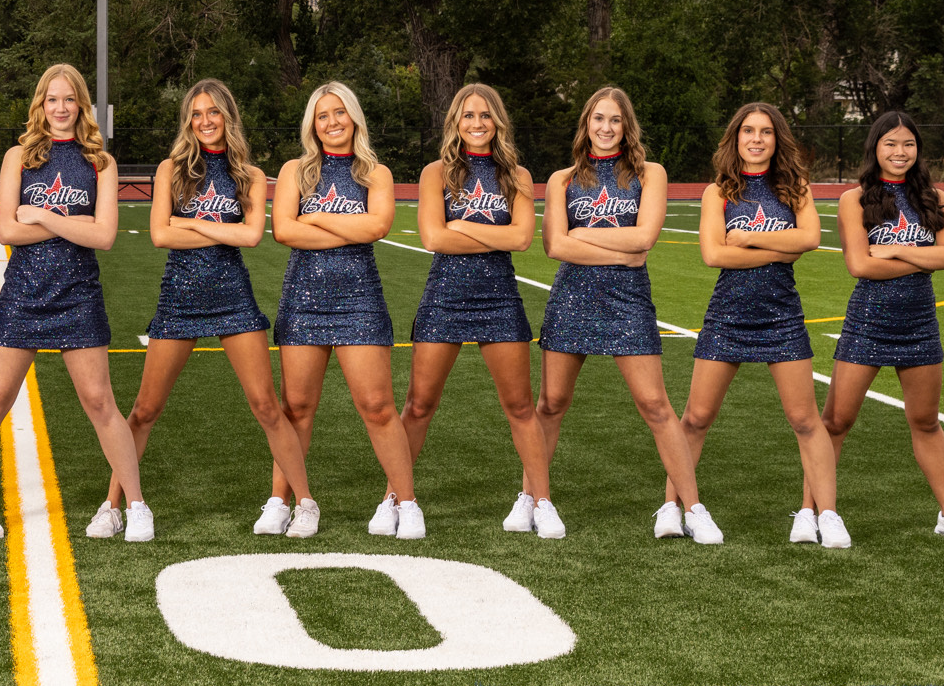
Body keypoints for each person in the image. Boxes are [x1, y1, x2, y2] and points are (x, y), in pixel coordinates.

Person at [91, 79, 312, 539]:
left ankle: (305, 503)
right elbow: (160, 235)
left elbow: (250, 236)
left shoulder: (249, 175)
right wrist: (214, 230)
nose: (205, 121)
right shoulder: (171, 169)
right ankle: (113, 506)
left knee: (267, 406)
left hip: (233, 295)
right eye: (196, 113)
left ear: (228, 116)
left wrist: (188, 222)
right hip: (180, 296)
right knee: (145, 410)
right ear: (188, 121)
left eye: (213, 112)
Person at [0, 63, 150, 542]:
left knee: (100, 401)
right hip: (24, 294)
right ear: (40, 104)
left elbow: (104, 236)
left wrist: (42, 214)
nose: (60, 107)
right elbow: (7, 230)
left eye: (69, 99)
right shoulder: (19, 156)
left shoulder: (100, 162)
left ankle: (136, 506)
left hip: (79, 294)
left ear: (81, 105)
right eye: (52, 99)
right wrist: (70, 223)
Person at [533, 87, 722, 543]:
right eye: (598, 118)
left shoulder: (648, 173)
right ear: (586, 124)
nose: (606, 127)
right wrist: (618, 250)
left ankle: (691, 508)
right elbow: (554, 245)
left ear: (626, 126)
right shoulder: (562, 179)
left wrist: (581, 234)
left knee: (656, 405)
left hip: (628, 301)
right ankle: (534, 499)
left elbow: (644, 240)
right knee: (551, 403)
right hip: (572, 299)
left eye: (615, 120)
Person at [671, 102, 846, 547]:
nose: (756, 139)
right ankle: (674, 507)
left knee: (805, 419)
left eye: (765, 131)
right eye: (748, 131)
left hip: (781, 315)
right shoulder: (718, 192)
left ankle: (825, 515)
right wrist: (782, 248)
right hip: (727, 314)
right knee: (696, 417)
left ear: (776, 139)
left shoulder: (795, 187)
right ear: (735, 138)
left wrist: (749, 237)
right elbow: (714, 254)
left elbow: (810, 239)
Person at [807, 112, 944, 540]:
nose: (900, 152)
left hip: (920, 322)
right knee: (836, 421)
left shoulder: (935, 198)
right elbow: (859, 265)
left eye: (908, 144)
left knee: (926, 420)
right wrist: (920, 258)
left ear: (918, 149)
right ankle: (813, 513)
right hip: (867, 321)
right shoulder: (854, 199)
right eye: (890, 143)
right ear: (875, 148)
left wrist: (894, 251)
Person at [399, 84, 555, 534]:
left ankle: (541, 501)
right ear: (456, 122)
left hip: (499, 298)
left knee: (520, 406)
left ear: (497, 121)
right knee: (419, 405)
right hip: (444, 296)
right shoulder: (436, 173)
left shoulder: (516, 175)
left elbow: (521, 239)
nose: (477, 123)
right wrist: (488, 234)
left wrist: (460, 224)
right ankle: (396, 497)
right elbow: (434, 238)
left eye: (485, 115)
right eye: (468, 115)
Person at [272, 82, 422, 539]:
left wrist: (314, 217)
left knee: (377, 406)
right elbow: (284, 231)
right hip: (303, 300)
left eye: (339, 112)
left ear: (354, 117)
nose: (332, 122)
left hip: (360, 301)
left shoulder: (375, 172)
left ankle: (407, 503)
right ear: (312, 125)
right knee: (296, 407)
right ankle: (284, 503)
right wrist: (348, 227)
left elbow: (377, 226)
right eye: (323, 115)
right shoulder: (295, 170)